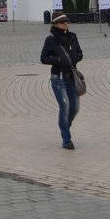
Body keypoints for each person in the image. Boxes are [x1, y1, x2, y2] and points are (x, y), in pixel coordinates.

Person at [41, 10, 83, 150]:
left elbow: (80, 53)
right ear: (55, 24)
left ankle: (64, 126)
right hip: (58, 79)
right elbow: (44, 58)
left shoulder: (73, 37)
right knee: (65, 108)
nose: (65, 24)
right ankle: (66, 139)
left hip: (71, 77)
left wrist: (73, 59)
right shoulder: (51, 39)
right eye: (61, 22)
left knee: (75, 108)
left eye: (66, 21)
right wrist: (59, 60)